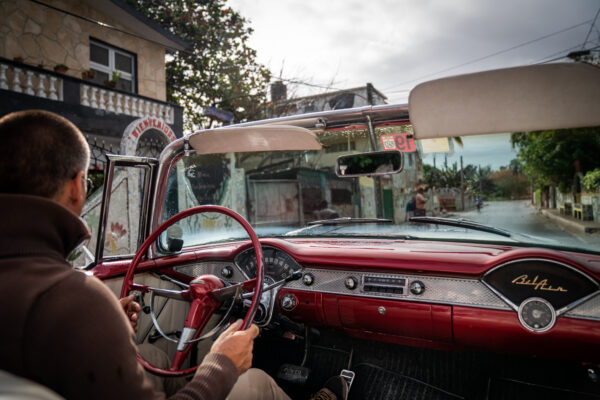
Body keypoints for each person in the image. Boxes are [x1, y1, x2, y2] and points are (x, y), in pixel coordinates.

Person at [0, 110, 290, 400]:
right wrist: (222, 364)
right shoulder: (77, 303)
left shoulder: (59, 299)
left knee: (151, 355)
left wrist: (107, 330)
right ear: (77, 187)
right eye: (88, 183)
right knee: (255, 383)